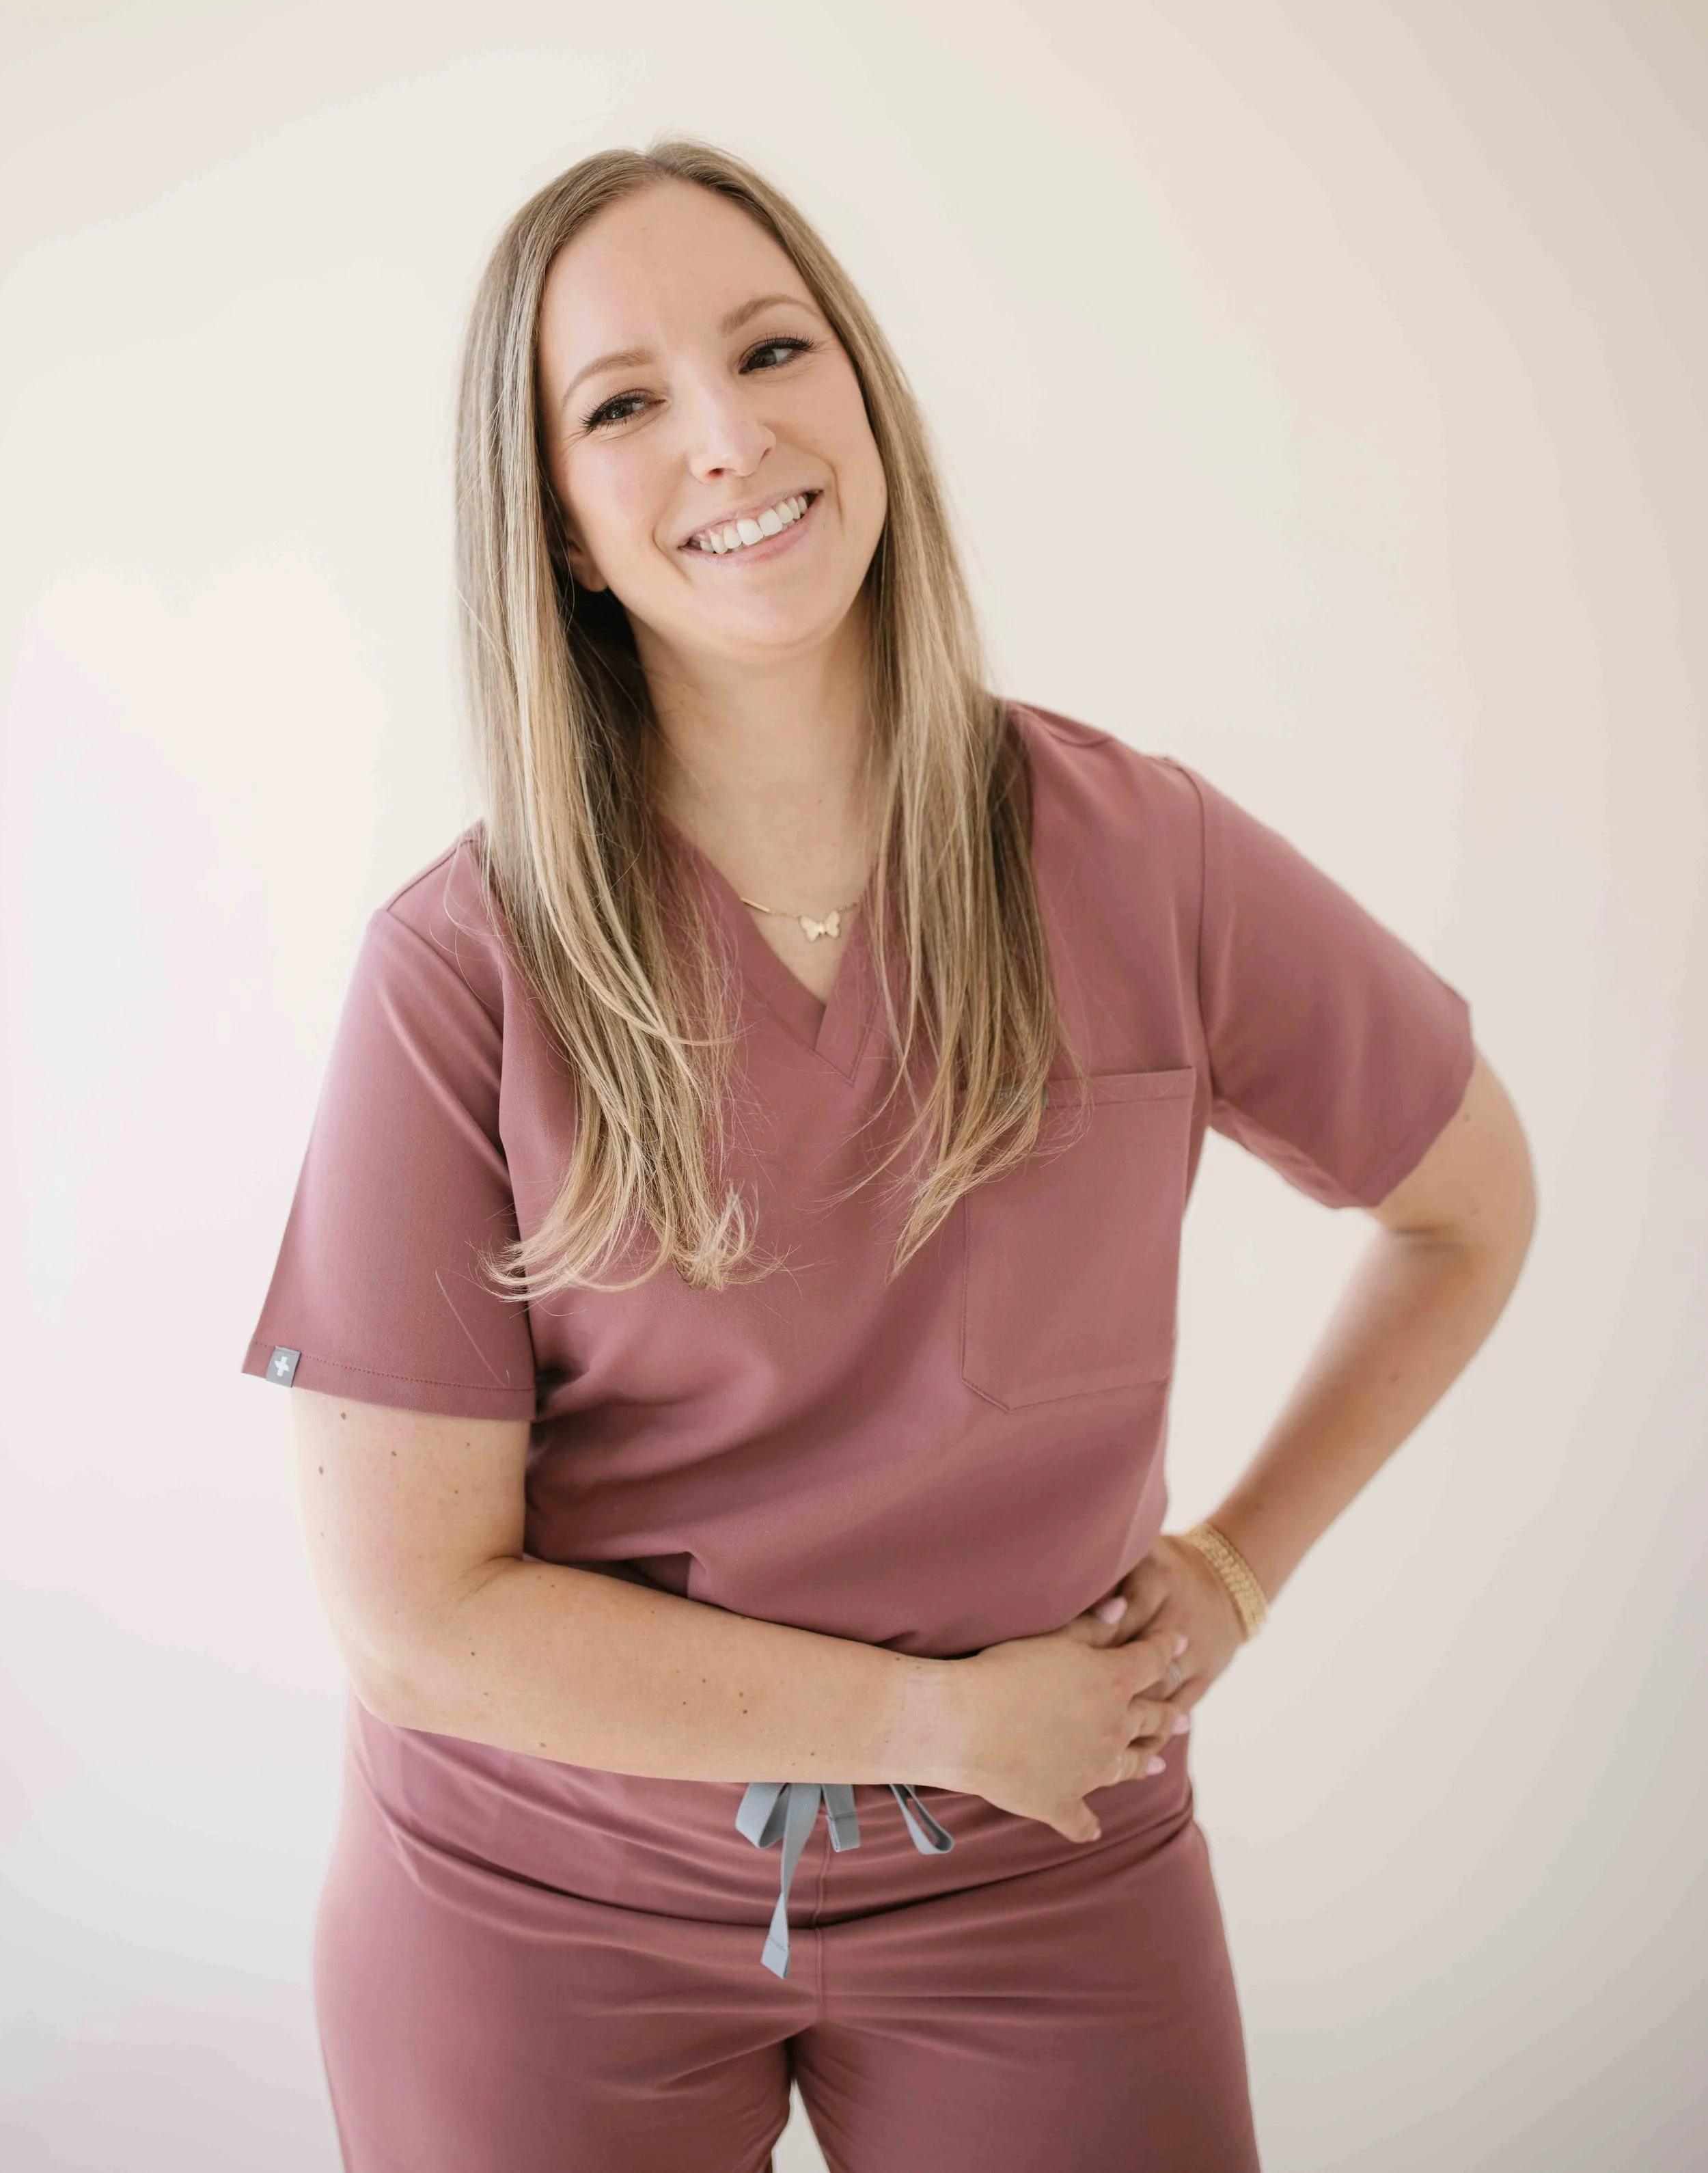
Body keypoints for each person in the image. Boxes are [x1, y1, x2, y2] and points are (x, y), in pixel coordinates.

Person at [241, 136, 1536, 2173]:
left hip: (1040, 1869)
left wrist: (1230, 1570)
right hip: (537, 1903)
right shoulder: (457, 969)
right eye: (624, 402)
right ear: (561, 525)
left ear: (863, 393)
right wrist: (933, 1721)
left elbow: (1465, 1205)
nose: (730, 431)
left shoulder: (1147, 856)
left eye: (774, 347)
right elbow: (419, 1614)